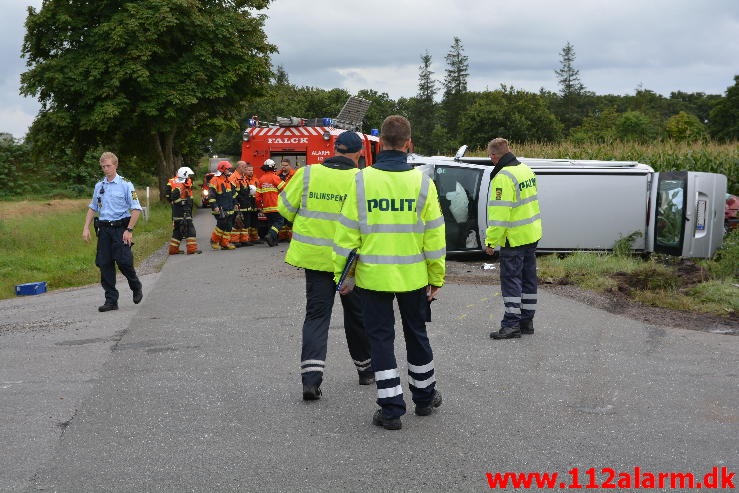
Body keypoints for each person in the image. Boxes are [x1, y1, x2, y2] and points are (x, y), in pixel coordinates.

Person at [333, 116, 446, 430]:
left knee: (380, 339)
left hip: (372, 277)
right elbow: (435, 237)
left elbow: (346, 238)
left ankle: (391, 409)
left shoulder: (360, 180)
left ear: (380, 143)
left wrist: (343, 278)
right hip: (414, 277)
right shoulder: (423, 183)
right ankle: (424, 399)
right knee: (417, 334)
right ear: (408, 144)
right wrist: (436, 278)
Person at [278, 131, 374, 401]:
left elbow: (284, 208)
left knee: (317, 317)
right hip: (350, 263)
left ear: (334, 148)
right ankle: (366, 370)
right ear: (358, 154)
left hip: (316, 260)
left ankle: (311, 380)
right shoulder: (362, 179)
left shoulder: (307, 174)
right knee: (357, 316)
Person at [484, 137, 542, 340]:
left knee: (511, 280)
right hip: (531, 234)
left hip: (514, 238)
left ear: (493, 156)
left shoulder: (503, 177)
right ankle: (526, 321)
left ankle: (511, 324)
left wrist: (491, 241)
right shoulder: (525, 169)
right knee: (528, 279)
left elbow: (500, 215)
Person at [82, 151, 144, 312]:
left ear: (115, 165)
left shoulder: (125, 184)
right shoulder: (99, 186)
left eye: (108, 166)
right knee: (104, 264)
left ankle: (135, 285)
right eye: (103, 166)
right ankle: (111, 300)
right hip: (104, 230)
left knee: (124, 261)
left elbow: (136, 209)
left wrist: (129, 230)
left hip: (121, 229)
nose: (106, 169)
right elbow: (93, 207)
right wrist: (86, 227)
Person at [165, 166, 202, 255]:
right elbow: (174, 197)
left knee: (177, 231)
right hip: (182, 212)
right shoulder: (180, 185)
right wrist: (183, 204)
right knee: (190, 229)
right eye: (188, 175)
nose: (189, 177)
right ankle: (192, 249)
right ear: (184, 175)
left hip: (177, 212)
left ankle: (173, 250)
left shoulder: (181, 183)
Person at [255, 159, 286, 247]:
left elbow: (257, 197)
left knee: (271, 223)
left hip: (266, 207)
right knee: (279, 222)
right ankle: (271, 235)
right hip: (276, 205)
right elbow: (284, 189)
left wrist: (259, 206)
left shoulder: (261, 179)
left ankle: (273, 241)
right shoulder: (275, 177)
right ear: (272, 167)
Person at [208, 160, 238, 250]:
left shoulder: (228, 180)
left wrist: (235, 203)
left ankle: (225, 244)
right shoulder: (214, 180)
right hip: (220, 208)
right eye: (228, 169)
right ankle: (213, 240)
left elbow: (233, 194)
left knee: (229, 226)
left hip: (229, 207)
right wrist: (215, 206)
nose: (229, 170)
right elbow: (211, 195)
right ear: (223, 169)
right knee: (221, 225)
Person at [229, 161, 255, 247]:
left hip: (246, 204)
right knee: (237, 223)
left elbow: (246, 190)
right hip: (239, 204)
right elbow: (233, 192)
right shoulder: (233, 177)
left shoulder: (243, 177)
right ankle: (235, 240)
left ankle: (244, 240)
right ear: (239, 167)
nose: (246, 169)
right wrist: (237, 202)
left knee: (246, 222)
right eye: (244, 167)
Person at [277, 158, 296, 241]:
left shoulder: (294, 174)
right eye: (282, 165)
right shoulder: (277, 175)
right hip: (280, 199)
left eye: (286, 165)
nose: (284, 167)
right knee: (282, 218)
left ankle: (290, 237)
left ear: (290, 165)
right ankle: (282, 236)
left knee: (290, 219)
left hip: (291, 199)